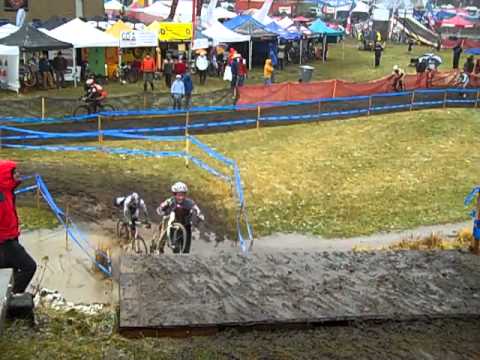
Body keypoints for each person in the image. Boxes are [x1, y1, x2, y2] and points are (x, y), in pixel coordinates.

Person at [0, 160, 37, 294]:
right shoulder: (1, 196)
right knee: (29, 266)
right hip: (5, 242)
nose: (18, 174)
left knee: (10, 272)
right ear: (5, 175)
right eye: (14, 172)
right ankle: (13, 297)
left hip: (11, 238)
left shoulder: (8, 192)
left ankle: (9, 298)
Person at [156, 182, 204, 254]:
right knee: (166, 222)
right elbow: (161, 207)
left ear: (185, 194)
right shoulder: (170, 200)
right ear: (174, 194)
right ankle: (160, 246)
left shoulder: (189, 202)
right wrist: (161, 210)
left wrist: (199, 215)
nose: (181, 197)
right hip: (173, 222)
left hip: (186, 224)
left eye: (183, 194)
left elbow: (196, 209)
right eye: (178, 195)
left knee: (186, 251)